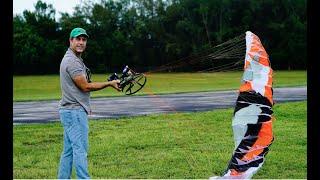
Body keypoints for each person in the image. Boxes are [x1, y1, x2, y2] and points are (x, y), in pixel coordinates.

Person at [58, 27, 121, 179]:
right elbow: (85, 86)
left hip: (70, 111)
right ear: (71, 41)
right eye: (78, 39)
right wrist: (109, 84)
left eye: (83, 39)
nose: (81, 42)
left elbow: (85, 83)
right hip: (74, 112)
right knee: (80, 150)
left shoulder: (73, 58)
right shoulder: (72, 62)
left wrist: (109, 82)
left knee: (69, 151)